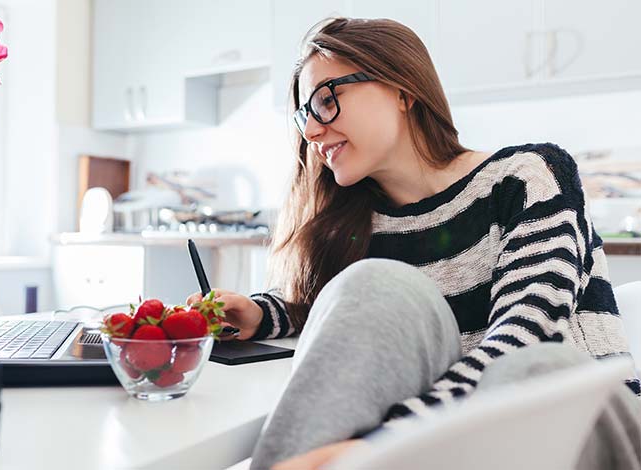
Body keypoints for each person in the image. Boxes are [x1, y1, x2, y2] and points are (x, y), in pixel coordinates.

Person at [186, 17, 641, 470]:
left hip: (588, 434)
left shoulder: (526, 178)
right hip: (466, 447)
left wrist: (385, 444)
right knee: (372, 285)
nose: (311, 132)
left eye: (326, 100)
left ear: (402, 90)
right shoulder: (362, 227)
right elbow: (336, 312)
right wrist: (263, 314)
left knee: (536, 371)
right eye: (305, 115)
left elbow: (528, 334)